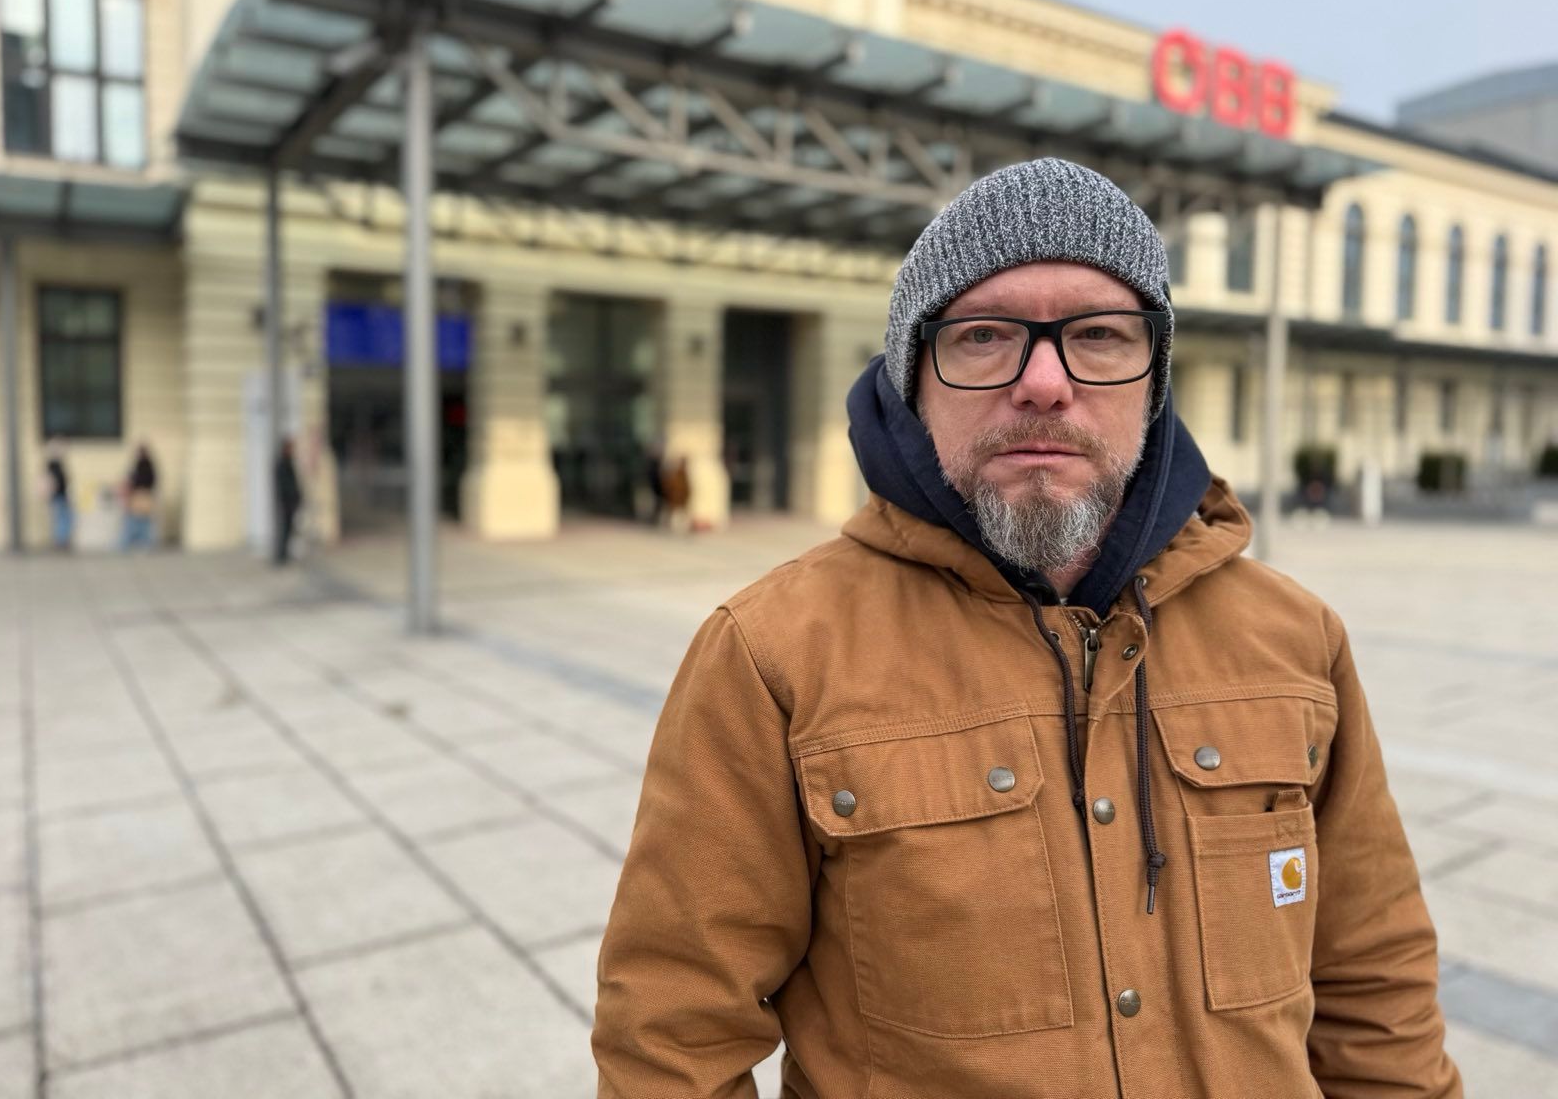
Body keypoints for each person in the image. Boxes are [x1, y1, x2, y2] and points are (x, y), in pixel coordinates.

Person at [593, 160, 1462, 1097]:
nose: (1044, 383)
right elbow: (671, 1042)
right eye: (985, 336)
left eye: (1096, 334)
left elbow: (1376, 989)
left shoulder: (1296, 640)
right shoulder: (771, 657)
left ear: (1153, 380)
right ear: (912, 380)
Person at [120, 443, 158, 550]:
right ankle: (142, 543)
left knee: (137, 521)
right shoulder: (146, 465)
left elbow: (137, 480)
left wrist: (131, 488)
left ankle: (130, 543)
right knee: (141, 521)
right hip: (143, 495)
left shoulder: (143, 465)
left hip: (141, 495)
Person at [274, 437, 302, 565]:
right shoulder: (282, 464)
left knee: (289, 529)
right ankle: (281, 555)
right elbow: (285, 485)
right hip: (286, 503)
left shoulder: (289, 462)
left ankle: (285, 553)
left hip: (291, 502)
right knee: (285, 529)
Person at [43, 441, 73, 551]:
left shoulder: (56, 465)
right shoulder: (54, 465)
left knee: (63, 519)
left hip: (61, 496)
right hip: (58, 496)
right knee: (61, 519)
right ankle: (60, 541)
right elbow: (56, 482)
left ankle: (61, 540)